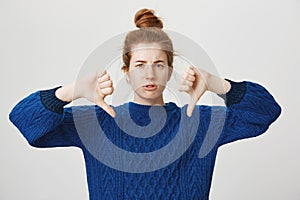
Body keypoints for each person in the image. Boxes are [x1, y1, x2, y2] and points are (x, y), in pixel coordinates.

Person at [9, 8, 281, 200]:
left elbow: (265, 113)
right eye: (140, 65)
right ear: (126, 71)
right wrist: (73, 91)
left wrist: (216, 84)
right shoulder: (99, 123)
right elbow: (24, 121)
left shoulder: (197, 123)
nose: (149, 75)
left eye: (159, 65)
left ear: (170, 70)